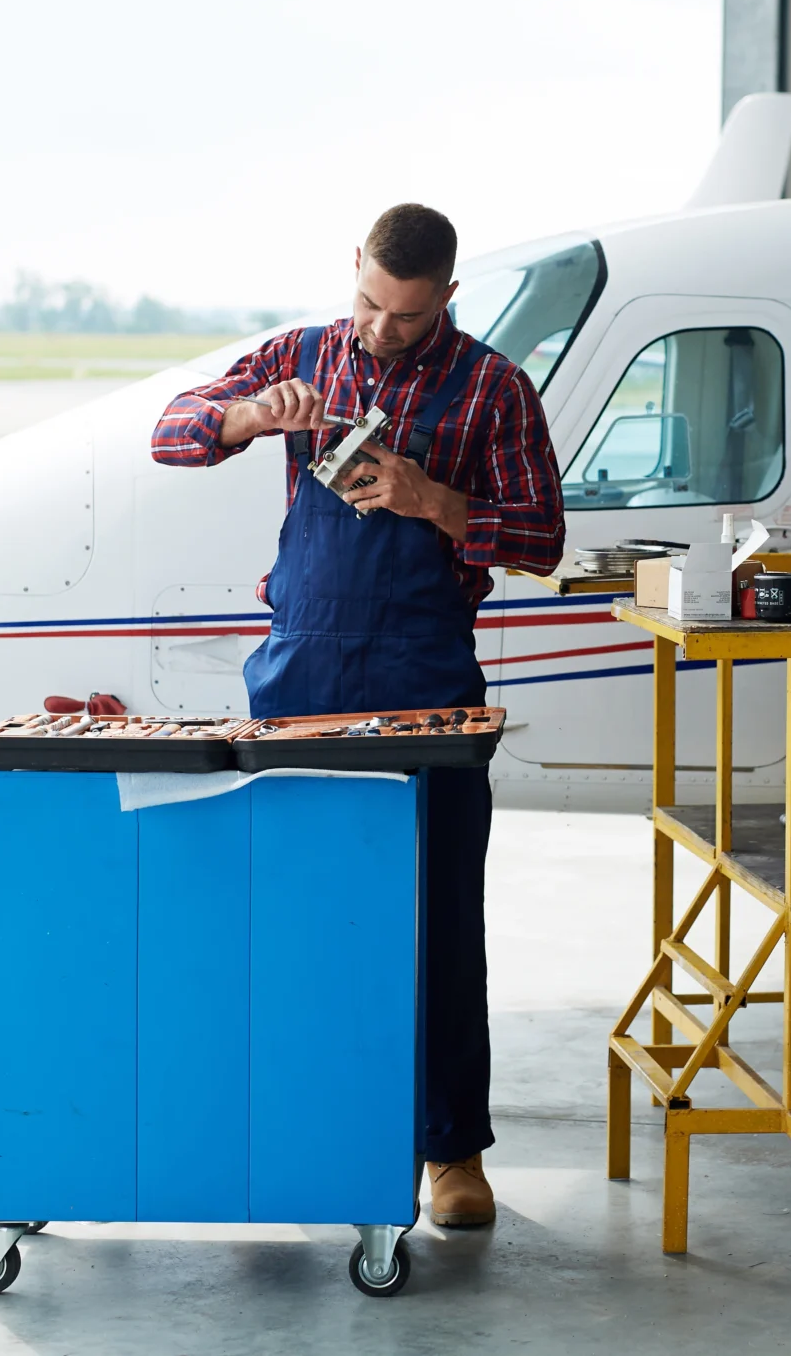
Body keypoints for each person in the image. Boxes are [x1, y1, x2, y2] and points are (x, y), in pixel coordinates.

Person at [149, 203, 564, 1227]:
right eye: (370, 304)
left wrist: (436, 503)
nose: (382, 330)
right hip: (301, 676)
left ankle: (450, 1154)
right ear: (353, 275)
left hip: (427, 679)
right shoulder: (301, 354)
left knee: (437, 923)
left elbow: (544, 539)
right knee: (286, 911)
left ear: (449, 301)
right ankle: (291, 1127)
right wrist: (246, 419)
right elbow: (169, 434)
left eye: (409, 316)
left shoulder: (494, 389)